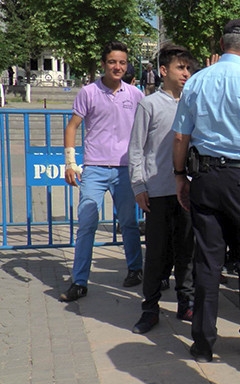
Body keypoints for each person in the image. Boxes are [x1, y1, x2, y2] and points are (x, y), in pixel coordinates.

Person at [172, 18, 240, 362]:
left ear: (220, 42)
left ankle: (202, 343)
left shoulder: (197, 81)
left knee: (208, 261)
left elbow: (181, 136)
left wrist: (179, 175)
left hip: (205, 178)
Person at [59, 40, 144, 302]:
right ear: (103, 64)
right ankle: (80, 281)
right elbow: (72, 126)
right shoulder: (88, 92)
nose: (117, 67)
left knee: (129, 223)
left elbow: (145, 130)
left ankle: (135, 270)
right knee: (87, 224)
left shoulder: (135, 94)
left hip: (125, 169)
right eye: (112, 62)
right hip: (94, 168)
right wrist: (70, 162)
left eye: (122, 62)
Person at [128, 44, 195, 334]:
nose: (186, 73)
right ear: (164, 71)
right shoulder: (149, 104)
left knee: (186, 251)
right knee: (156, 253)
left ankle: (186, 302)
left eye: (188, 68)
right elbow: (136, 149)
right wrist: (139, 185)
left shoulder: (193, 103)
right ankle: (150, 307)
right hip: (156, 189)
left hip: (187, 192)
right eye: (180, 67)